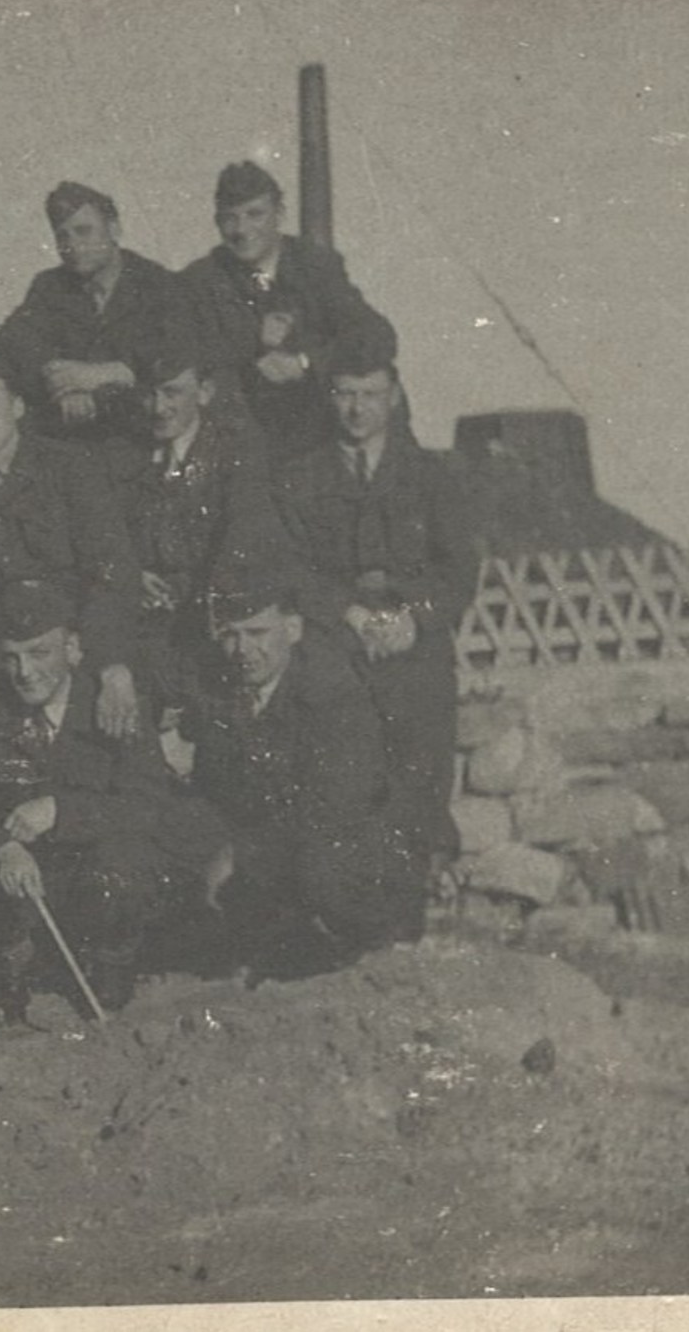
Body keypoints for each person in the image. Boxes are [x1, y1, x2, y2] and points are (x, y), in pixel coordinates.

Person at [0, 582, 224, 1027]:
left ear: (73, 649)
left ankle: (110, 958)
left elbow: (146, 805)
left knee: (122, 866)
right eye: (12, 657)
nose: (25, 672)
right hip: (24, 871)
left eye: (40, 653)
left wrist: (60, 811)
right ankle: (10, 964)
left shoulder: (114, 706)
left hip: (93, 867)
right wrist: (3, 847)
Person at [274, 337, 476, 868]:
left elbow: (458, 570)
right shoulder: (300, 477)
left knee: (421, 752)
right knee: (337, 758)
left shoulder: (431, 475)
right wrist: (350, 614)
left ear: (395, 397)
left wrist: (413, 617)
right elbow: (291, 566)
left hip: (413, 637)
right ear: (329, 398)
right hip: (336, 635)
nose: (357, 408)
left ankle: (424, 871)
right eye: (345, 394)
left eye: (370, 394)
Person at [184, 563, 426, 976]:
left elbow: (335, 809)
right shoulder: (225, 694)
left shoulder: (331, 695)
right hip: (275, 845)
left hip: (350, 847)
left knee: (322, 871)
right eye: (230, 635)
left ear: (293, 629)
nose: (242, 650)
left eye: (257, 633)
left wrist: (238, 854)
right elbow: (215, 785)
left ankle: (367, 948)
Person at [0, 346, 144, 739]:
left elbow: (110, 571)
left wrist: (110, 663)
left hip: (73, 644)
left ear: (18, 406)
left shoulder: (69, 468)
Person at [179, 161, 401, 456]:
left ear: (279, 214)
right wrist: (253, 345)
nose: (242, 230)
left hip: (320, 431)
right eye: (230, 218)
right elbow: (190, 360)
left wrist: (304, 362)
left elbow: (376, 336)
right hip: (245, 436)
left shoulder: (314, 265)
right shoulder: (200, 281)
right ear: (217, 223)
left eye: (255, 214)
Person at [125, 334, 288, 722]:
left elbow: (243, 540)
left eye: (172, 392)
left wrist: (199, 599)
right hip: (141, 621)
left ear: (204, 391)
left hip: (209, 620)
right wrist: (130, 572)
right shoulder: (125, 454)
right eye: (149, 394)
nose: (159, 408)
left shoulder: (237, 452)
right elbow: (104, 534)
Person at [0, 180, 194, 452]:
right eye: (63, 236)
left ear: (114, 230)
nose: (73, 245)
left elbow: (179, 358)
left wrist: (112, 373)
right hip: (72, 443)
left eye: (84, 231)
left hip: (143, 442)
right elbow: (12, 343)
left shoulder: (159, 285)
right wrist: (61, 383)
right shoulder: (49, 287)